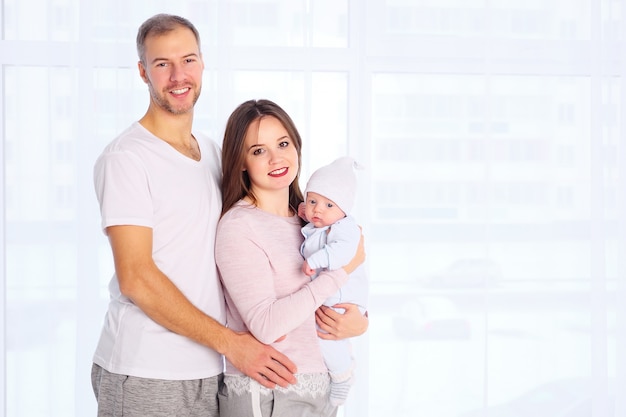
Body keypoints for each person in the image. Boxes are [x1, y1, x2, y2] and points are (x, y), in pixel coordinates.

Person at [90, 14, 299, 417]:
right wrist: (232, 343)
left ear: (202, 64)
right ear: (142, 72)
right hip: (146, 371)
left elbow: (265, 233)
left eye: (187, 60)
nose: (177, 75)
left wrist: (342, 304)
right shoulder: (126, 159)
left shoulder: (214, 153)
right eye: (161, 64)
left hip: (211, 369)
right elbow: (136, 277)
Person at [215, 99, 369, 417]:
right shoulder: (239, 226)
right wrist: (340, 273)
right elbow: (267, 326)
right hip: (269, 395)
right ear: (240, 161)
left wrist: (358, 322)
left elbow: (345, 287)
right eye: (258, 150)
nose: (276, 158)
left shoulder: (313, 221)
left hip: (319, 389)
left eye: (283, 143)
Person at [300, 156, 369, 406]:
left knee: (325, 336)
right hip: (333, 295)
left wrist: (315, 261)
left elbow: (343, 253)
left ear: (344, 209)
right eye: (313, 201)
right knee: (329, 336)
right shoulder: (320, 223)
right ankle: (343, 362)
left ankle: (342, 376)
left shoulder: (345, 228)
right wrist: (305, 211)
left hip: (343, 297)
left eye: (329, 205)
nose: (318, 209)